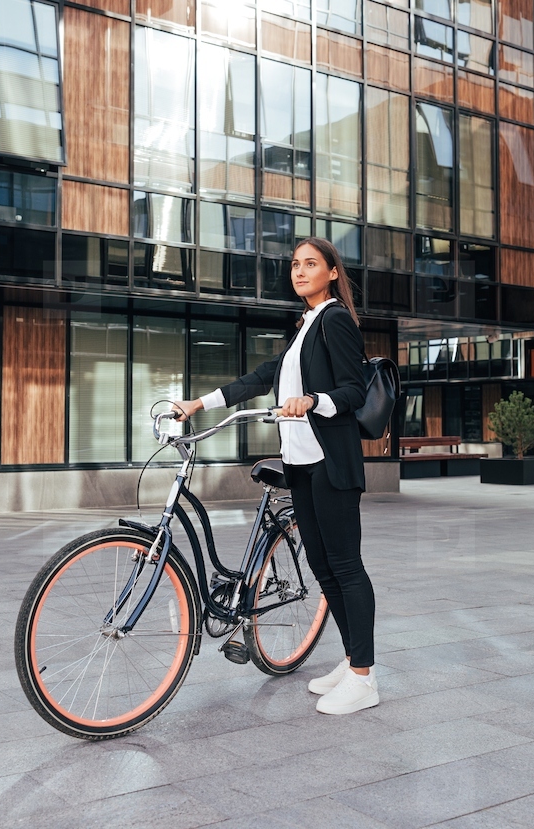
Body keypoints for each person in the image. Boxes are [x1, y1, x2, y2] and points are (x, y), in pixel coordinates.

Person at [172, 238, 378, 716]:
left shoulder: (336, 320)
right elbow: (261, 377)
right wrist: (198, 404)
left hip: (332, 463)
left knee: (346, 567)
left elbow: (354, 389)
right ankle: (351, 663)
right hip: (301, 464)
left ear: (331, 272)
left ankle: (365, 678)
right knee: (323, 568)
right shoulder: (305, 326)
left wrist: (312, 401)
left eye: (311, 264)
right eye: (295, 265)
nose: (300, 271)